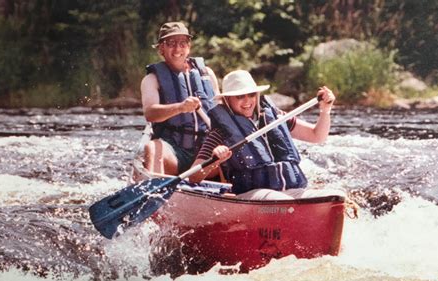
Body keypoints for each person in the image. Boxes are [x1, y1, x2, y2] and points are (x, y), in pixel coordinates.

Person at [189, 69, 339, 200]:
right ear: (227, 100)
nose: (247, 101)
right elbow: (194, 176)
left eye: (251, 94)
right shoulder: (220, 132)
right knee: (280, 200)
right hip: (251, 195)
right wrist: (215, 160)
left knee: (334, 197)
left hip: (289, 191)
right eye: (240, 96)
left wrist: (325, 110)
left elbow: (317, 136)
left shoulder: (277, 117)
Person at [139, 22, 220, 175]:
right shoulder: (152, 79)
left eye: (183, 43)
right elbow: (150, 113)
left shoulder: (207, 74)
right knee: (153, 147)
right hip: (173, 151)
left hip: (206, 150)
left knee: (232, 150)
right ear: (161, 48)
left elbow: (221, 110)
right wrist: (180, 107)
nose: (177, 49)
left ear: (189, 46)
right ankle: (155, 192)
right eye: (171, 43)